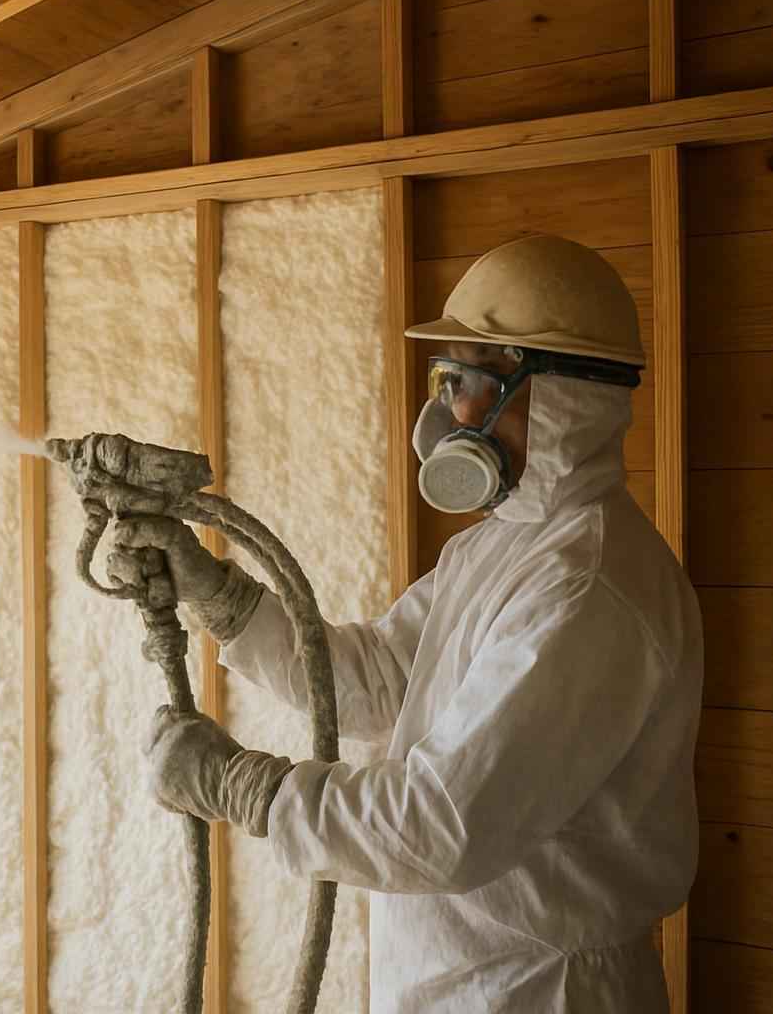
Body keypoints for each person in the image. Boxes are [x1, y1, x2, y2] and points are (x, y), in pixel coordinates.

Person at [124, 234, 702, 1012]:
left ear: (559, 393)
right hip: (462, 977)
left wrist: (242, 786)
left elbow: (441, 825)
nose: (447, 412)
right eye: (447, 378)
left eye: (467, 379)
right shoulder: (503, 548)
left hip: (540, 992)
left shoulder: (586, 587)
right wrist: (222, 600)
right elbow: (375, 680)